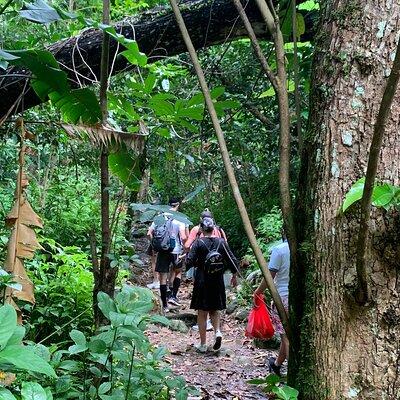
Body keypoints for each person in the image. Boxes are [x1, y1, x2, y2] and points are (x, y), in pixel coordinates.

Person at [186, 217, 238, 353]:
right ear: (214, 228)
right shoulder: (221, 242)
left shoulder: (198, 243)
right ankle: (218, 332)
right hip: (217, 280)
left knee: (202, 312)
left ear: (202, 229)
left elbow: (189, 261)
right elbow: (232, 259)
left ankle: (203, 344)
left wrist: (180, 265)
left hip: (202, 280)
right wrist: (234, 275)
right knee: (214, 310)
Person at [254, 232, 290, 376]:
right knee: (286, 335)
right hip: (299, 298)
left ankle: (293, 375)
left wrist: (257, 292)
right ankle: (276, 365)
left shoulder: (280, 249)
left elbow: (270, 277)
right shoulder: (302, 249)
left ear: (283, 232)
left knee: (286, 338)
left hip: (283, 297)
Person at [148, 197, 187, 313]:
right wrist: (185, 249)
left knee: (163, 277)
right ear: (177, 205)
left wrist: (156, 245)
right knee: (178, 271)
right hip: (175, 250)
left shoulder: (160, 217)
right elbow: (184, 237)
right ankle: (173, 296)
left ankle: (164, 304)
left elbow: (149, 232)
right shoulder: (180, 218)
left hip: (162, 251)